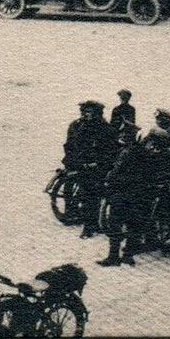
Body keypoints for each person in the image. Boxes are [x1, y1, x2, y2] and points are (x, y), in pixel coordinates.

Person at [62, 101, 119, 238]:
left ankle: (94, 223)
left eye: (90, 112)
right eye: (85, 112)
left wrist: (98, 163)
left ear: (98, 114)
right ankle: (88, 227)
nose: (86, 115)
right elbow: (72, 145)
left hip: (99, 168)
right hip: (83, 166)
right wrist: (75, 161)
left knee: (95, 196)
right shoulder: (81, 127)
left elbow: (111, 151)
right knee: (87, 196)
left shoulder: (107, 129)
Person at [99, 123, 150, 267]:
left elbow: (115, 172)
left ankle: (113, 257)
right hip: (138, 195)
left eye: (123, 134)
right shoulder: (143, 151)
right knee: (134, 225)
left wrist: (108, 181)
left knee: (115, 224)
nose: (120, 136)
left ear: (128, 136)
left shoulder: (126, 152)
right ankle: (128, 256)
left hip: (122, 194)